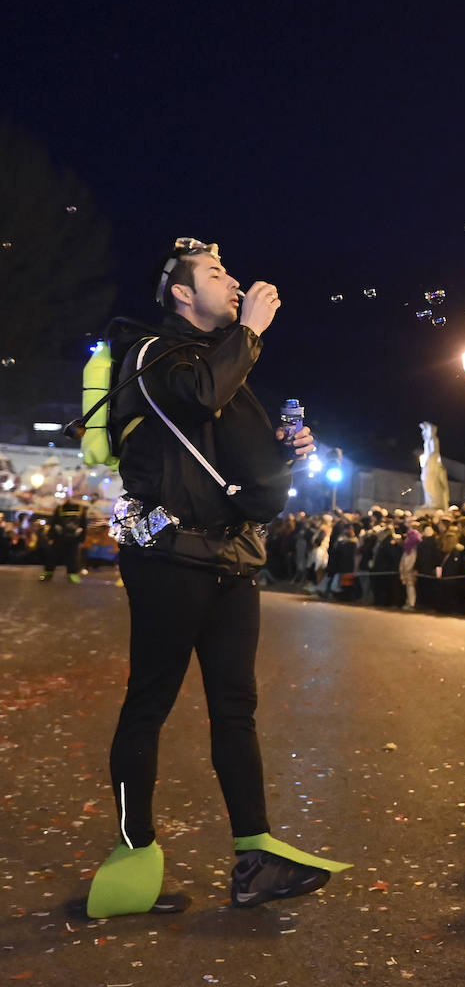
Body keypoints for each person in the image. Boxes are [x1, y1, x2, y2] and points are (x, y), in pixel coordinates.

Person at [87, 238, 350, 919]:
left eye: (231, 272)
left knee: (237, 710)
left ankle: (254, 857)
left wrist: (289, 455)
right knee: (150, 703)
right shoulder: (150, 355)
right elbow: (197, 393)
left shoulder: (227, 365)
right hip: (170, 559)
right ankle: (132, 850)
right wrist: (253, 333)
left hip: (234, 561)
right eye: (216, 273)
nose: (234, 282)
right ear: (180, 292)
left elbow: (253, 480)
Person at [40, 493, 88, 583]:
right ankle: (48, 572)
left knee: (73, 557)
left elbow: (83, 524)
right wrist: (51, 536)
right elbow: (54, 522)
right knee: (53, 556)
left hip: (73, 538)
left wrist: (82, 537)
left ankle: (72, 574)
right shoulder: (60, 508)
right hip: (59, 537)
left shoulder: (81, 509)